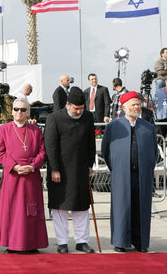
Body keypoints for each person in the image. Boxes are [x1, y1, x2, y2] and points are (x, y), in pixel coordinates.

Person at [102, 91, 158, 253]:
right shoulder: (114, 126)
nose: (137, 107)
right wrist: (117, 168)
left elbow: (154, 152)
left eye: (138, 104)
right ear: (124, 107)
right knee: (121, 208)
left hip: (142, 175)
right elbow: (106, 151)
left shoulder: (148, 127)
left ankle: (140, 242)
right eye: (133, 104)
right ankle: (120, 241)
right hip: (121, 175)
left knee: (141, 208)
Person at [44, 87, 96, 254]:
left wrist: (90, 163)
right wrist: (54, 169)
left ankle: (82, 241)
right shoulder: (55, 118)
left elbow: (91, 143)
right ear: (67, 104)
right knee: (61, 207)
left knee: (81, 206)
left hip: (81, 168)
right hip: (60, 170)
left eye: (81, 108)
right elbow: (50, 146)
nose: (79, 111)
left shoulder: (87, 117)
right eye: (76, 108)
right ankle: (62, 242)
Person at [0, 98, 48, 253]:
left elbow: (42, 152)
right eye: (17, 109)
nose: (19, 112)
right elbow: (1, 152)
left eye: (23, 110)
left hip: (31, 176)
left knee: (30, 210)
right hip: (13, 176)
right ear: (12, 111)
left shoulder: (35, 130)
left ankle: (31, 244)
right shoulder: (3, 129)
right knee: (13, 211)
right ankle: (13, 244)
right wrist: (15, 167)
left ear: (28, 113)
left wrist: (32, 166)